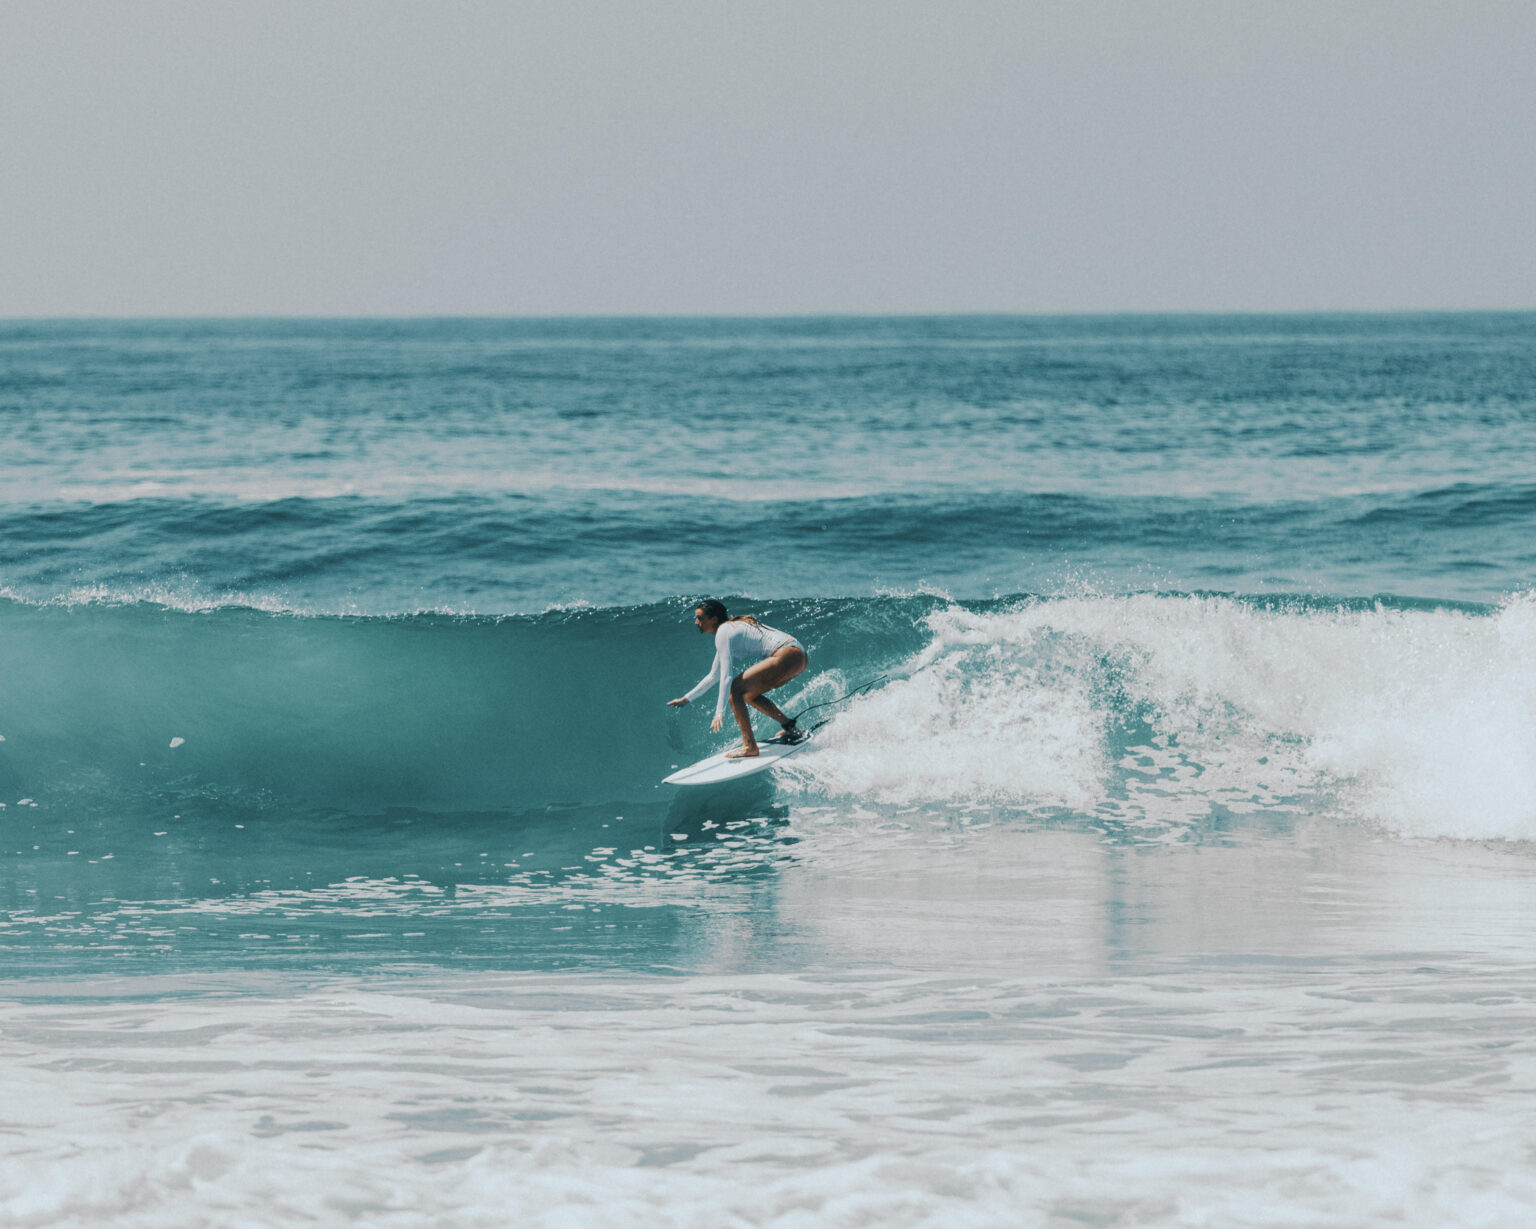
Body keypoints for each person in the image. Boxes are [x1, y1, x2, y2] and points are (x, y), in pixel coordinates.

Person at [667, 600, 808, 758]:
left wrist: (719, 712)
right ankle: (790, 727)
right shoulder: (728, 630)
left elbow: (726, 677)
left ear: (713, 619)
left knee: (736, 689)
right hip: (799, 657)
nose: (696, 622)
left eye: (700, 618)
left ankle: (749, 746)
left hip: (787, 655)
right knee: (747, 694)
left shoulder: (723, 631)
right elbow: (714, 676)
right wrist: (686, 699)